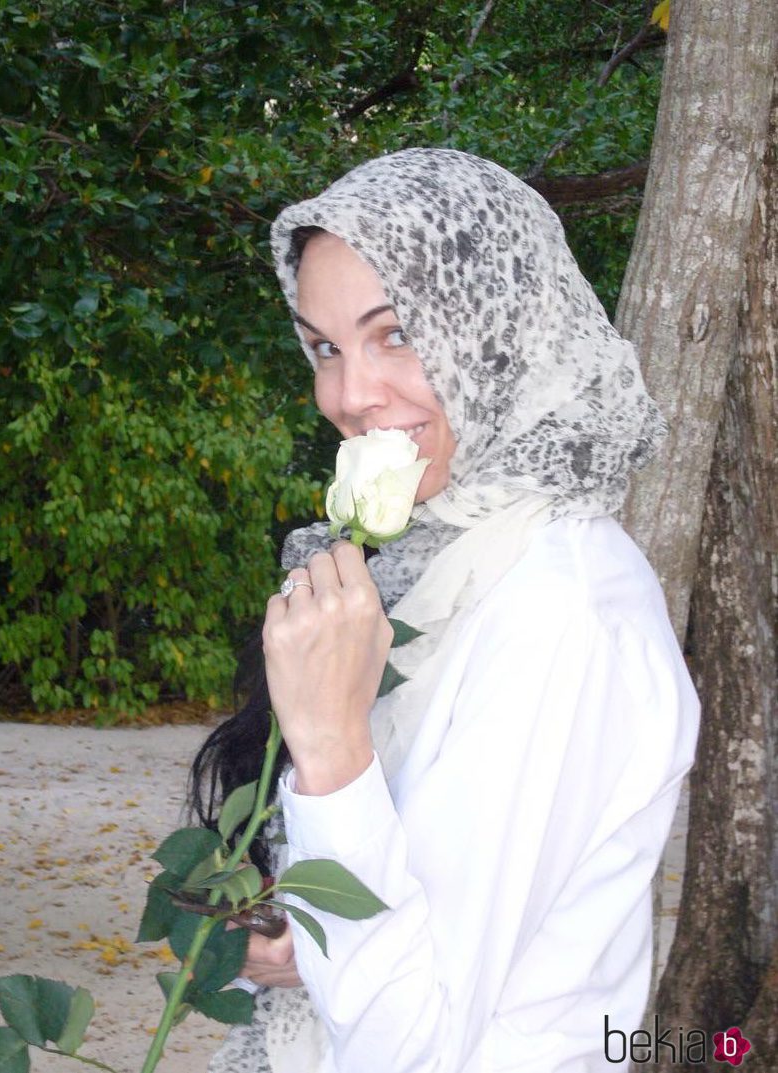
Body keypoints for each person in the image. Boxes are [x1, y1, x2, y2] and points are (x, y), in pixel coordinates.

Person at [193, 147, 700, 1073]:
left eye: (397, 334)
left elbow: (414, 1046)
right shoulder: (437, 562)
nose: (349, 395)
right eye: (324, 347)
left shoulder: (561, 608)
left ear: (498, 329)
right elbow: (411, 910)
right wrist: (301, 935)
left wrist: (332, 744)